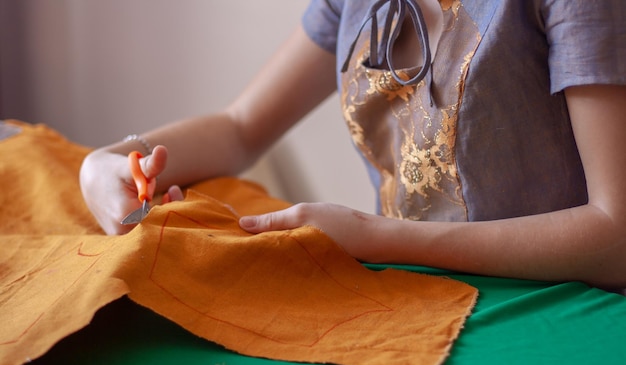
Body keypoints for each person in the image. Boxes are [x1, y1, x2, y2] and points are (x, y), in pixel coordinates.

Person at [80, 0, 626, 289]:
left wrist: (377, 238)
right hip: (408, 299)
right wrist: (103, 162)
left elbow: (616, 234)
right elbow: (241, 127)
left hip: (562, 310)